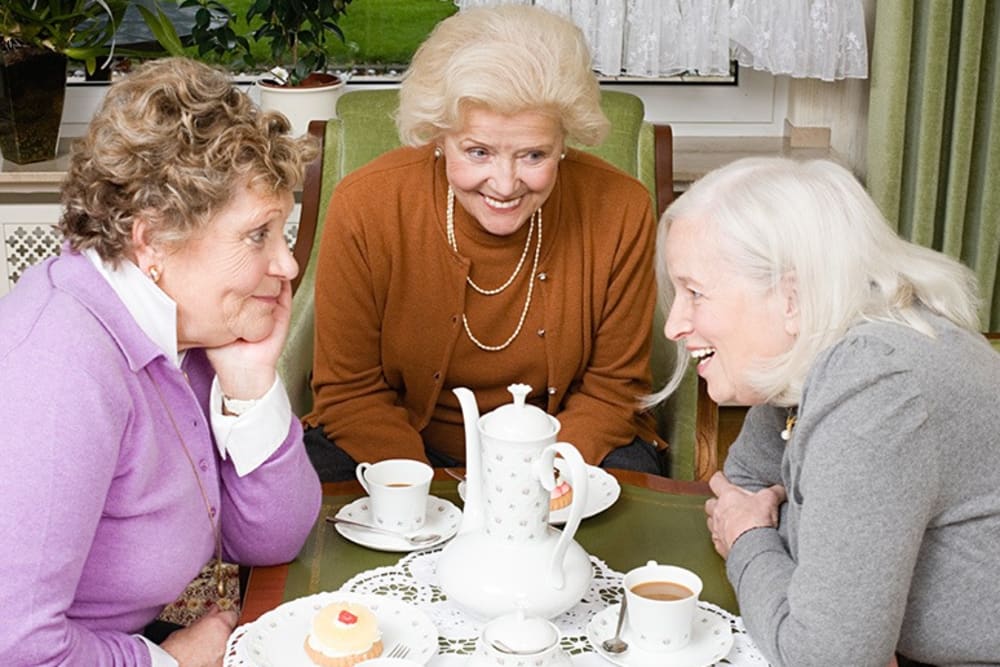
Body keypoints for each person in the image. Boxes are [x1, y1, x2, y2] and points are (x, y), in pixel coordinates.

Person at [0, 57, 323, 666]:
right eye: (259, 235)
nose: (286, 266)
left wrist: (251, 385)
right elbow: (16, 647)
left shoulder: (187, 322)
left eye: (284, 233)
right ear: (153, 239)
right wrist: (173, 663)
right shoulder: (58, 373)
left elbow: (274, 537)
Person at [652, 156, 1000, 666]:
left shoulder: (874, 387)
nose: (674, 326)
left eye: (695, 293)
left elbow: (827, 658)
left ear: (790, 297)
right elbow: (746, 482)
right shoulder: (822, 348)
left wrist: (750, 539)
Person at [304, 4, 663, 481]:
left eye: (534, 154)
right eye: (478, 152)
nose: (505, 183)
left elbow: (614, 388)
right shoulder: (366, 205)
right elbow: (349, 391)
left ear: (565, 142)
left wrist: (536, 482)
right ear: (438, 137)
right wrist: (414, 484)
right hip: (398, 440)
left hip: (567, 445)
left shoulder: (622, 208)